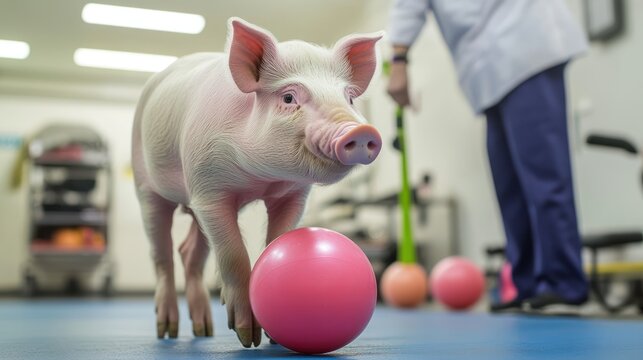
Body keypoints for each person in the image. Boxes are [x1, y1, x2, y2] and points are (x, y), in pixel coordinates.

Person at [386, 0, 589, 311]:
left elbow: (409, 5)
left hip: (527, 46)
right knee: (509, 188)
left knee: (544, 178)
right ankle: (526, 283)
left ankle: (563, 281)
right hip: (489, 69)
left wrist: (398, 60)